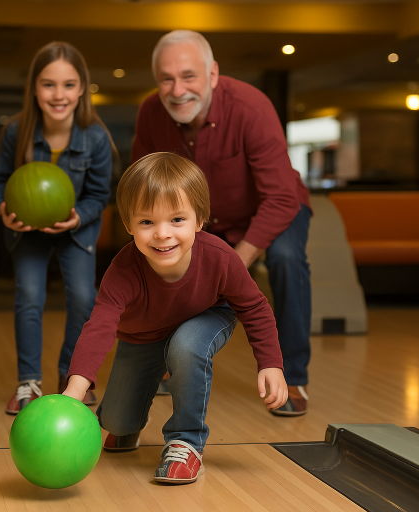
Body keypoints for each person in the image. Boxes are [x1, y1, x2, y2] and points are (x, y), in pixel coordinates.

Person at [62, 152, 287, 484]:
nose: (162, 234)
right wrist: (73, 394)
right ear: (128, 225)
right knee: (117, 422)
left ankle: (186, 443)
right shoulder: (123, 271)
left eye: (177, 220)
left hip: (207, 316)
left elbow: (254, 307)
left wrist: (271, 363)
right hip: (144, 334)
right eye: (147, 222)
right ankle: (129, 423)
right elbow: (99, 327)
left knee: (186, 346)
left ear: (199, 219)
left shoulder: (221, 258)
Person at [131, 30, 312, 416]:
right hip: (200, 219)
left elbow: (280, 197)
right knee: (168, 260)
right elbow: (142, 188)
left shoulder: (251, 107)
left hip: (272, 208)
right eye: (166, 79)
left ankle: (293, 375)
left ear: (212, 74)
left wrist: (234, 260)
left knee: (285, 259)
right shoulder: (150, 112)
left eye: (189, 76)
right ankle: (164, 359)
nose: (177, 90)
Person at [0, 42, 116, 415]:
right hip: (27, 229)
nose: (58, 95)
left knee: (82, 297)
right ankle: (28, 381)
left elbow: (99, 194)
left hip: (76, 231)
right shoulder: (17, 132)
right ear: (34, 88)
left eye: (68, 85)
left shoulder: (96, 137)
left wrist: (79, 216)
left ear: (81, 89)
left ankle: (71, 378)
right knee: (29, 294)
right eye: (48, 84)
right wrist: (3, 209)